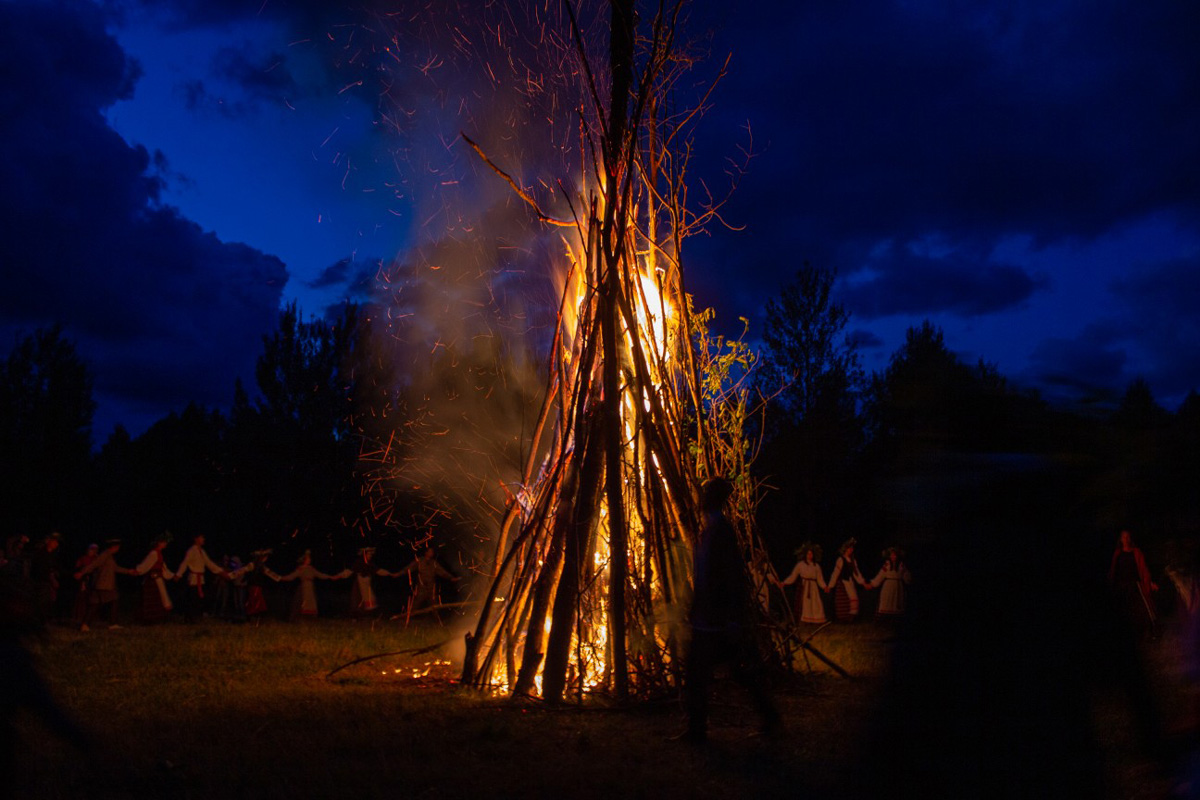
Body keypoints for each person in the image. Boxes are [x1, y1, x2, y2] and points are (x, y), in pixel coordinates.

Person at [678, 477, 780, 744]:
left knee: (700, 673)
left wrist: (733, 618)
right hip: (708, 618)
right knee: (731, 671)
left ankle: (698, 731)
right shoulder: (711, 529)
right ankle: (768, 717)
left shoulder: (721, 531)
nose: (701, 499)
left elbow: (731, 576)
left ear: (714, 498)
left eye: (706, 494)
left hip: (717, 621)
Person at [75, 539, 136, 630]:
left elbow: (115, 568)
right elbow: (93, 564)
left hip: (101, 584)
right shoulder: (105, 555)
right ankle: (112, 623)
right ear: (114, 547)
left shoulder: (109, 556)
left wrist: (128, 571)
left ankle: (85, 625)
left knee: (95, 604)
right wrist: (82, 572)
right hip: (104, 584)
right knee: (114, 599)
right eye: (118, 547)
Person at [1108, 529, 1158, 639]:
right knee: (1123, 611)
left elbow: (1143, 568)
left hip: (1135, 585)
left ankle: (1150, 633)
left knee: (1145, 609)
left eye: (1128, 537)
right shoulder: (1117, 553)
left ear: (1130, 538)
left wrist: (1149, 583)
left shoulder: (1136, 552)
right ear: (1120, 539)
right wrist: (1111, 584)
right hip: (1121, 586)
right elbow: (1113, 570)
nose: (1126, 539)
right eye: (1123, 537)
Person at [174, 534, 226, 623]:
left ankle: (196, 617)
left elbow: (209, 563)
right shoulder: (191, 551)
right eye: (202, 537)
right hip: (194, 579)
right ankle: (190, 618)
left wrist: (220, 571)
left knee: (199, 599)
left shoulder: (201, 551)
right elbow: (185, 563)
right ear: (196, 539)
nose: (203, 539)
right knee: (193, 598)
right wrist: (179, 574)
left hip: (200, 579)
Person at [397, 546, 458, 620]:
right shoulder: (419, 561)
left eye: (432, 552)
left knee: (435, 606)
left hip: (431, 588)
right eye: (430, 551)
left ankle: (438, 622)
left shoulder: (434, 563)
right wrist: (398, 574)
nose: (432, 553)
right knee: (415, 605)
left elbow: (442, 572)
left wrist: (451, 578)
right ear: (426, 552)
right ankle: (406, 619)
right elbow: (408, 568)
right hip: (421, 588)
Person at [278, 550, 341, 620]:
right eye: (308, 559)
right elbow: (291, 577)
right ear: (304, 560)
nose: (310, 560)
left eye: (309, 559)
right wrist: (281, 578)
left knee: (311, 601)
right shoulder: (300, 569)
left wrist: (330, 577)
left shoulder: (311, 569)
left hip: (310, 587)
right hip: (304, 587)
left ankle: (311, 617)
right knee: (302, 601)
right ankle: (300, 617)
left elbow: (320, 575)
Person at [780, 543, 828, 624]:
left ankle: (815, 620)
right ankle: (805, 620)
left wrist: (824, 587)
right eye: (808, 553)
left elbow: (820, 579)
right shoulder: (800, 565)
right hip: (804, 586)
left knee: (815, 603)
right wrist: (784, 583)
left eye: (811, 553)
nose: (810, 555)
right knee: (805, 603)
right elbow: (793, 576)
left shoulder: (816, 566)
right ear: (805, 554)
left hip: (813, 587)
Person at [133, 533, 175, 623]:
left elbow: (163, 567)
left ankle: (157, 618)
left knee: (160, 597)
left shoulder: (159, 553)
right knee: (154, 598)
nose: (165, 544)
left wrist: (171, 575)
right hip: (153, 580)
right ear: (159, 543)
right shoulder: (154, 553)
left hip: (158, 578)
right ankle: (149, 619)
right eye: (163, 542)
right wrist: (138, 570)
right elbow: (146, 564)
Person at [828, 538, 871, 622]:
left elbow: (857, 573)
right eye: (849, 548)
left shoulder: (853, 561)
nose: (851, 550)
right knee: (845, 600)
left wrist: (863, 583)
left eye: (852, 549)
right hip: (843, 583)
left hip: (850, 582)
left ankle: (851, 618)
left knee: (854, 599)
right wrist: (830, 585)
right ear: (845, 549)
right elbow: (835, 573)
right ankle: (843, 619)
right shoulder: (841, 559)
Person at [344, 547, 392, 617]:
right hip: (359, 584)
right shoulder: (358, 562)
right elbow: (350, 571)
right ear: (364, 555)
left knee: (369, 598)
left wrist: (389, 573)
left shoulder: (371, 564)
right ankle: (356, 616)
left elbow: (378, 571)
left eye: (371, 555)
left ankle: (367, 615)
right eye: (368, 554)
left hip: (367, 583)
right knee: (357, 599)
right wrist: (338, 576)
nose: (370, 556)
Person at [28, 532, 63, 625]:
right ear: (48, 541)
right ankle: (39, 621)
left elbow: (52, 567)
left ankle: (44, 620)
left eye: (57, 542)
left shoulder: (51, 554)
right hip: (40, 581)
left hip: (45, 582)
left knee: (48, 601)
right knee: (41, 601)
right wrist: (52, 579)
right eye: (54, 541)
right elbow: (42, 569)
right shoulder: (41, 553)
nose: (57, 544)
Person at [871, 546, 912, 617]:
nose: (893, 556)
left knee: (897, 601)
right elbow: (881, 575)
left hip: (898, 586)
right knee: (887, 600)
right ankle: (885, 619)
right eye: (891, 555)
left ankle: (896, 620)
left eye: (895, 555)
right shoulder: (887, 565)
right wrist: (873, 583)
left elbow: (906, 575)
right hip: (888, 586)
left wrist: (909, 580)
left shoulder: (901, 565)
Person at [243, 549, 280, 618]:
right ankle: (252, 618)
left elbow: (271, 574)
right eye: (266, 557)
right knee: (255, 602)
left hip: (255, 586)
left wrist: (279, 578)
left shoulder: (259, 565)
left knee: (255, 602)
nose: (266, 558)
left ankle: (253, 618)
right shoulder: (256, 565)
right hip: (255, 586)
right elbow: (243, 570)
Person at [71, 543, 99, 625]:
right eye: (91, 549)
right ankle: (79, 615)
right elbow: (78, 568)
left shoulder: (97, 559)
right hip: (83, 580)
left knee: (91, 598)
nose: (92, 551)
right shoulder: (83, 558)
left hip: (93, 581)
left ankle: (91, 616)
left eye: (94, 550)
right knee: (81, 597)